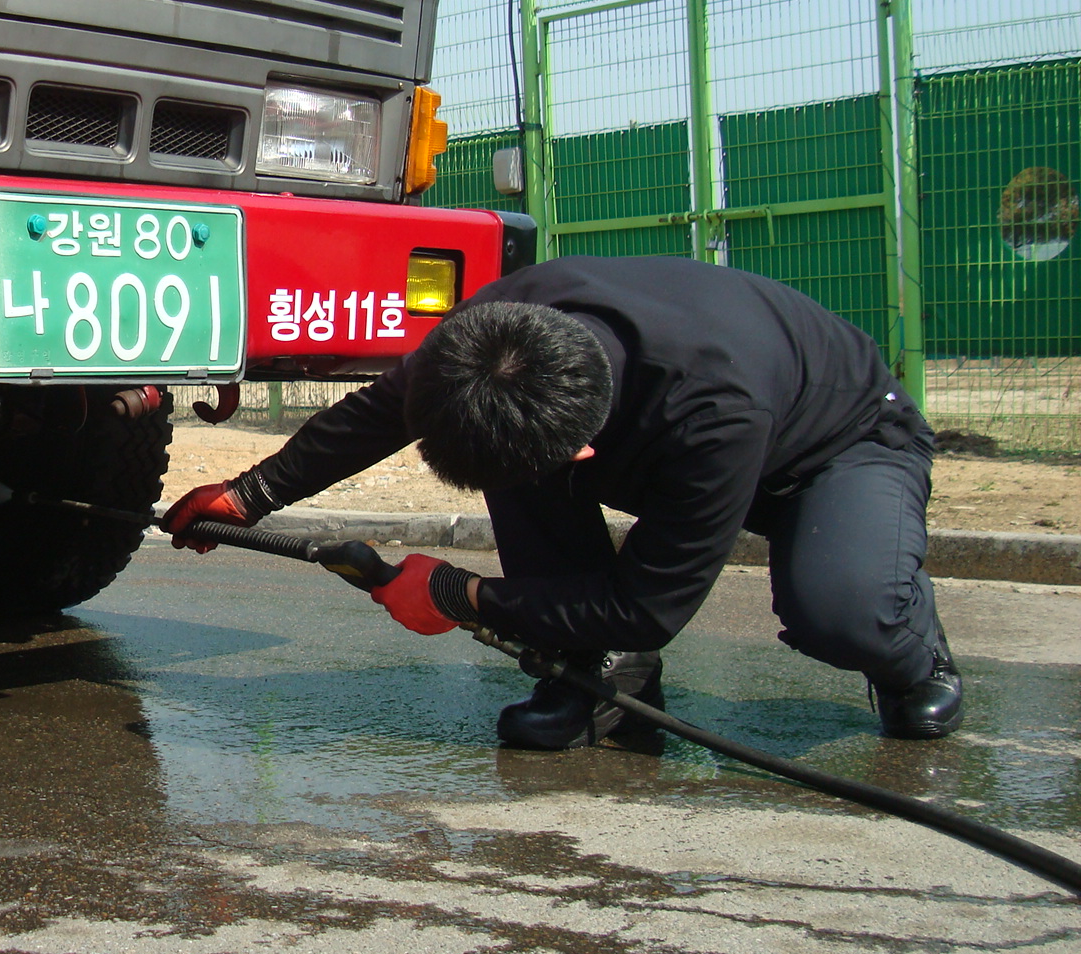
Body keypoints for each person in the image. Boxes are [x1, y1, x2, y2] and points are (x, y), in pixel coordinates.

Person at [166, 256, 961, 748]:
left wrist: (458, 594)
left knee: (839, 612)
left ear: (584, 453)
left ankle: (909, 649)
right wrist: (250, 494)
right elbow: (381, 410)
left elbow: (648, 605)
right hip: (677, 429)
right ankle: (601, 680)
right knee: (512, 455)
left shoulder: (716, 411)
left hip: (837, 451)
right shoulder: (492, 340)